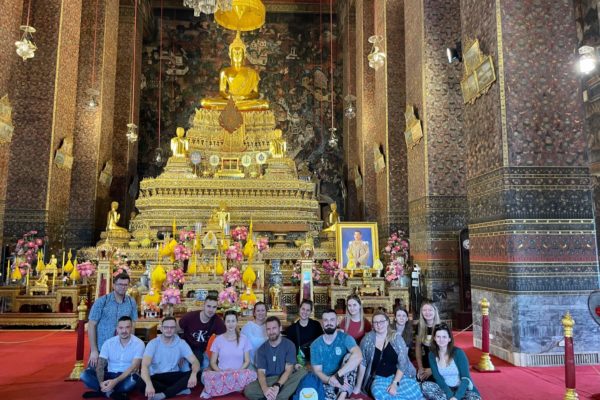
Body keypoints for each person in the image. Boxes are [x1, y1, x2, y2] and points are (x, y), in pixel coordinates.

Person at [355, 311, 422, 400]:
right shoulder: (367, 339)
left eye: (382, 321)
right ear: (373, 325)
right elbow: (363, 363)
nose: (379, 325)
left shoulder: (396, 337)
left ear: (387, 322)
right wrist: (358, 386)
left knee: (416, 391)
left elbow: (403, 362)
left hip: (399, 376)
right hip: (379, 378)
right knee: (377, 393)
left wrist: (394, 383)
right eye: (376, 322)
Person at [201, 31, 269, 111]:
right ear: (230, 54)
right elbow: (222, 91)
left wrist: (244, 97)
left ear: (244, 55)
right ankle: (237, 107)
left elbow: (256, 93)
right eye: (235, 52)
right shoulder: (224, 71)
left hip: (245, 101)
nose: (237, 55)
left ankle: (237, 107)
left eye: (240, 52)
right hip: (230, 101)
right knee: (205, 102)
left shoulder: (252, 72)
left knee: (265, 104)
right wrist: (230, 97)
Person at [244, 316, 307, 400]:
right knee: (249, 390)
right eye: (268, 329)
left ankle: (275, 397)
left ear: (280, 328)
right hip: (269, 380)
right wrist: (265, 389)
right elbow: (261, 372)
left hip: (285, 378)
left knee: (303, 372)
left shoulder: (289, 345)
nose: (271, 332)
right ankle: (278, 395)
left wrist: (278, 385)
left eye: (274, 328)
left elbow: (288, 370)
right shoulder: (261, 349)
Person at [80, 316, 144, 400]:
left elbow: (133, 367)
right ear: (117, 328)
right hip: (109, 375)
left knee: (134, 379)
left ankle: (102, 392)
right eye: (121, 328)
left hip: (126, 376)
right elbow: (100, 366)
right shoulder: (108, 343)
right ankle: (111, 393)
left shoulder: (139, 343)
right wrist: (101, 383)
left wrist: (115, 381)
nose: (124, 331)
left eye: (127, 327)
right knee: (84, 375)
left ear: (131, 328)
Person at [200, 310, 257, 398]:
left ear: (237, 322)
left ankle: (220, 388)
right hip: (223, 374)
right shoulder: (218, 340)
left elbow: (247, 361)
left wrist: (237, 372)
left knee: (253, 375)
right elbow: (213, 362)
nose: (231, 324)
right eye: (228, 321)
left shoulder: (244, 339)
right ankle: (233, 387)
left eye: (233, 321)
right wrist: (221, 372)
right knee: (205, 376)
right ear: (224, 322)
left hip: (238, 373)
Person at [140, 316, 200, 399]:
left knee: (197, 373)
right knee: (140, 382)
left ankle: (164, 394)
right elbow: (145, 366)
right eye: (166, 327)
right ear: (161, 328)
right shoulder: (153, 344)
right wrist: (149, 384)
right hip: (157, 377)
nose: (169, 330)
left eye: (172, 327)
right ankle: (177, 389)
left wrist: (193, 374)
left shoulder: (181, 343)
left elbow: (195, 361)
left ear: (175, 329)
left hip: (173, 375)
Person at [88, 272, 138, 368]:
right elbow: (91, 325)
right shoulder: (102, 301)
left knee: (121, 375)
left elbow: (133, 324)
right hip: (101, 347)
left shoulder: (131, 302)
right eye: (120, 284)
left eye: (125, 285)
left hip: (122, 347)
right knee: (93, 376)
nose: (122, 287)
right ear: (114, 285)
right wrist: (94, 350)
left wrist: (131, 346)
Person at [311, 308, 363, 400]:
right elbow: (317, 371)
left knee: (350, 356)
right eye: (326, 320)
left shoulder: (345, 338)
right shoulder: (315, 345)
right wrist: (330, 380)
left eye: (332, 319)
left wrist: (337, 375)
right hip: (326, 382)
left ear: (337, 321)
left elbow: (358, 356)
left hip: (345, 380)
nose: (329, 323)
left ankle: (342, 395)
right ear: (322, 322)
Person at [422, 324, 481, 400]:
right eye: (438, 337)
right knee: (425, 386)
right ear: (434, 338)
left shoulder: (458, 353)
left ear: (449, 339)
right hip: (446, 389)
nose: (441, 340)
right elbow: (438, 379)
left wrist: (456, 397)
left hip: (463, 390)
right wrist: (450, 396)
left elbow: (466, 378)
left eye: (444, 337)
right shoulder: (432, 355)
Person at [178, 294, 226, 369]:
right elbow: (175, 331)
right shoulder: (190, 316)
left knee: (206, 370)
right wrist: (178, 352)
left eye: (214, 307)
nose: (211, 310)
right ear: (203, 305)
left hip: (201, 352)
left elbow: (221, 343)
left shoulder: (217, 321)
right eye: (208, 306)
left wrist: (214, 362)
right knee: (185, 370)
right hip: (186, 350)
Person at [284, 299, 324, 364]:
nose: (305, 312)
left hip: (315, 362)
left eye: (308, 310)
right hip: (299, 363)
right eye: (303, 309)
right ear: (299, 309)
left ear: (311, 311)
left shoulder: (316, 325)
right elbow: (289, 350)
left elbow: (321, 344)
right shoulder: (291, 329)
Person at [415, 302, 441, 382]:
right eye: (424, 310)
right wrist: (420, 367)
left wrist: (432, 369)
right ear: (421, 312)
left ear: (435, 311)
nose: (427, 312)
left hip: (439, 364)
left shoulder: (440, 326)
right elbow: (418, 348)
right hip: (425, 362)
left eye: (430, 310)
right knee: (420, 381)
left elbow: (445, 352)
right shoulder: (419, 326)